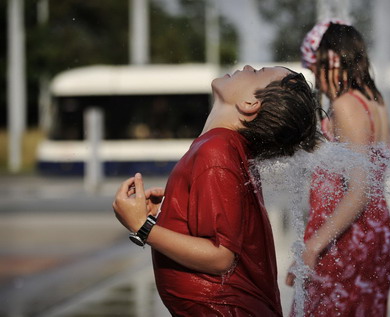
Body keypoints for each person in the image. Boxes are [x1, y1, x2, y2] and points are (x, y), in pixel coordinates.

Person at [113, 65, 320, 316]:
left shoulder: (217, 151)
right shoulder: (226, 148)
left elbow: (221, 256)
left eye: (256, 72)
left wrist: (143, 227)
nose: (245, 67)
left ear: (249, 103)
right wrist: (173, 210)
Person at [286, 19, 390, 316]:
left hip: (346, 235)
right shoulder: (375, 102)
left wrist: (312, 247)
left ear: (331, 62)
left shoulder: (346, 104)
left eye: (314, 69)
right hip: (375, 229)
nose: (316, 81)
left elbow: (358, 191)